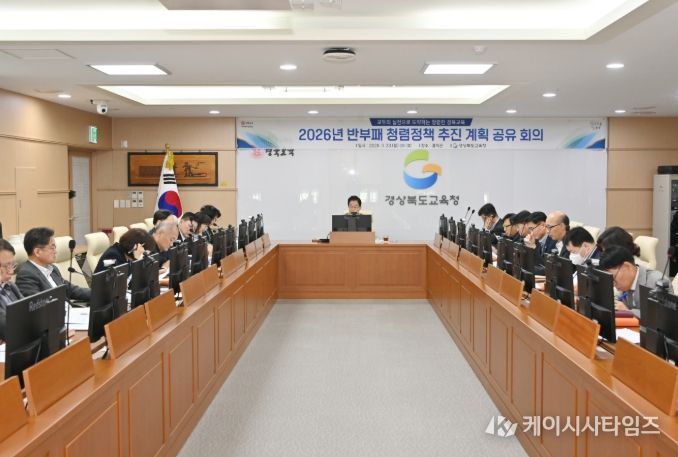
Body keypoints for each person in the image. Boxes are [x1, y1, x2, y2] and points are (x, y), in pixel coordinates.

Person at [16, 227, 91, 302]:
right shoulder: (26, 275)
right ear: (37, 252)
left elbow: (70, 290)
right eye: (52, 248)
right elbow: (37, 305)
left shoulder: (52, 268)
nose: (55, 252)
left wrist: (95, 292)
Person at [598, 246, 673, 315]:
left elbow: (664, 317)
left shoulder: (658, 282)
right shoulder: (627, 282)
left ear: (627, 267)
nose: (613, 284)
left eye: (613, 278)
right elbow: (619, 299)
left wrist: (628, 312)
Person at [0, 239, 23, 340]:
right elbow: (6, 327)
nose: (11, 272)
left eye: (12, 265)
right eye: (6, 266)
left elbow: (28, 310)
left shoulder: (10, 286)